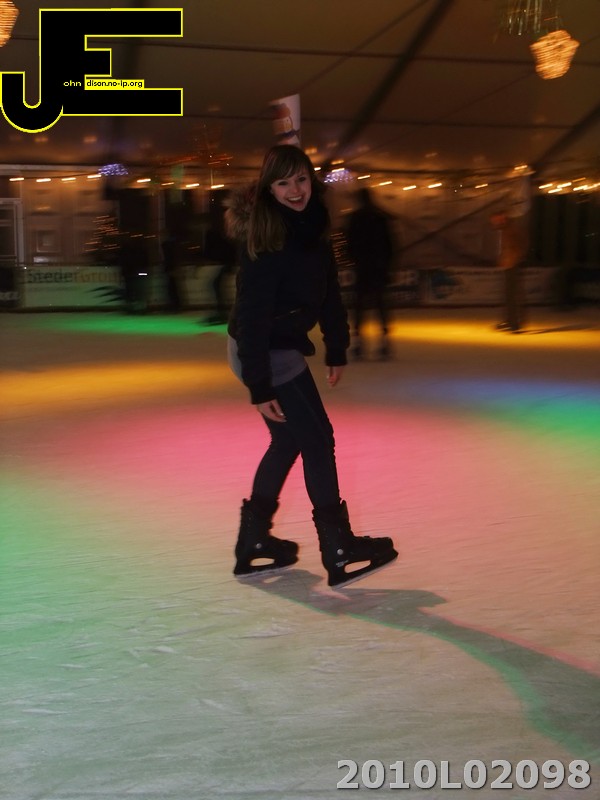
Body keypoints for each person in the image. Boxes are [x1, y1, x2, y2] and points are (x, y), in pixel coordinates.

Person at [225, 144, 398, 588]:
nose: (295, 190)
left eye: (300, 179)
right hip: (262, 349)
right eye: (283, 183)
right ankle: (339, 547)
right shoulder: (265, 239)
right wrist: (260, 386)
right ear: (269, 188)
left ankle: (253, 540)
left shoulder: (313, 227)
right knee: (318, 440)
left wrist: (337, 346)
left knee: (288, 441)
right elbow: (252, 316)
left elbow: (329, 292)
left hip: (277, 345)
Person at [345, 187, 396, 359]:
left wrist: (355, 260)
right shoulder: (380, 218)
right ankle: (384, 343)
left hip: (363, 268)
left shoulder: (356, 218)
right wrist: (388, 266)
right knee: (381, 306)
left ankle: (359, 344)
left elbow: (350, 244)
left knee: (360, 307)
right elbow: (390, 245)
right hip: (378, 268)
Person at [489, 209, 530, 333]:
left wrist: (515, 258)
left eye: (495, 220)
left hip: (514, 264)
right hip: (508, 264)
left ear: (502, 217)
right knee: (508, 295)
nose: (494, 223)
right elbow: (506, 247)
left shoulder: (512, 228)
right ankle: (509, 320)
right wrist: (503, 259)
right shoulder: (504, 229)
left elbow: (522, 245)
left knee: (513, 295)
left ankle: (515, 323)